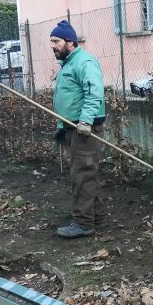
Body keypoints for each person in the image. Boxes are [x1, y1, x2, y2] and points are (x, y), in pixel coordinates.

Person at [50, 20, 106, 238]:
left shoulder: (84, 62)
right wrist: (61, 126)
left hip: (85, 128)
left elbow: (94, 92)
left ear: (70, 42)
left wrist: (85, 121)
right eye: (52, 41)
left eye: (56, 41)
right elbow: (67, 100)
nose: (53, 46)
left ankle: (83, 223)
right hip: (74, 127)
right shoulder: (69, 64)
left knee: (82, 175)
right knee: (87, 173)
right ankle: (97, 217)